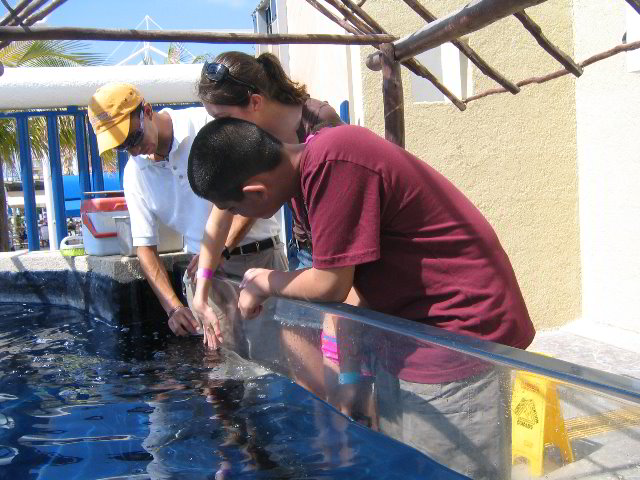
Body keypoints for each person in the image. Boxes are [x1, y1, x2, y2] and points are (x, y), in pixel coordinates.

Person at [187, 118, 536, 478]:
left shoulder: (333, 162)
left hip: (456, 332)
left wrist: (263, 281)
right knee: (407, 463)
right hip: (406, 333)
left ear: (257, 191)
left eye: (234, 208)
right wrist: (349, 377)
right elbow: (352, 287)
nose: (236, 217)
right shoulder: (307, 180)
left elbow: (329, 285)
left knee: (446, 468)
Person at [87, 83, 284, 339]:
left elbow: (256, 192)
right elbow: (145, 248)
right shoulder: (134, 173)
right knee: (219, 369)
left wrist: (220, 251)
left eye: (134, 138)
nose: (134, 151)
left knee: (276, 365)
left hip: (258, 256)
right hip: (204, 277)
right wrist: (173, 307)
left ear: (146, 111)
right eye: (123, 147)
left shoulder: (205, 124)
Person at [192, 51, 342, 350]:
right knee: (304, 350)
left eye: (222, 119)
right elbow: (221, 212)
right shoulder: (247, 136)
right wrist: (201, 289)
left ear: (255, 102)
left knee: (336, 354)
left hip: (337, 253)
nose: (220, 131)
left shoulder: (319, 126)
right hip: (307, 249)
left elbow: (336, 271)